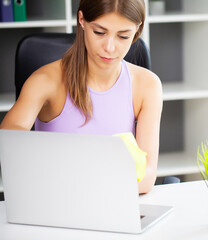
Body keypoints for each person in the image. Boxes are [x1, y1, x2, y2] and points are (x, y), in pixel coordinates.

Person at [0, 0, 162, 194]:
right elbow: (8, 140)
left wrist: (85, 188)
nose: (109, 47)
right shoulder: (45, 81)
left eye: (123, 36)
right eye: (99, 32)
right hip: (59, 202)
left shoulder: (147, 85)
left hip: (114, 206)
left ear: (137, 30)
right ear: (82, 20)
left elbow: (147, 176)